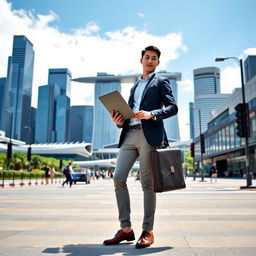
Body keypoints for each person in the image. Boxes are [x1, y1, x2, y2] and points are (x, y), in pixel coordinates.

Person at [103, 46, 178, 249]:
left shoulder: (161, 81)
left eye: (154, 58)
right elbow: (127, 113)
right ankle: (126, 229)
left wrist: (151, 114)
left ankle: (147, 230)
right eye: (147, 57)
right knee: (118, 177)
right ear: (141, 59)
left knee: (147, 182)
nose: (150, 60)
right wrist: (118, 120)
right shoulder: (135, 85)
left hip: (148, 135)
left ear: (158, 63)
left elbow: (173, 107)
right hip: (129, 134)